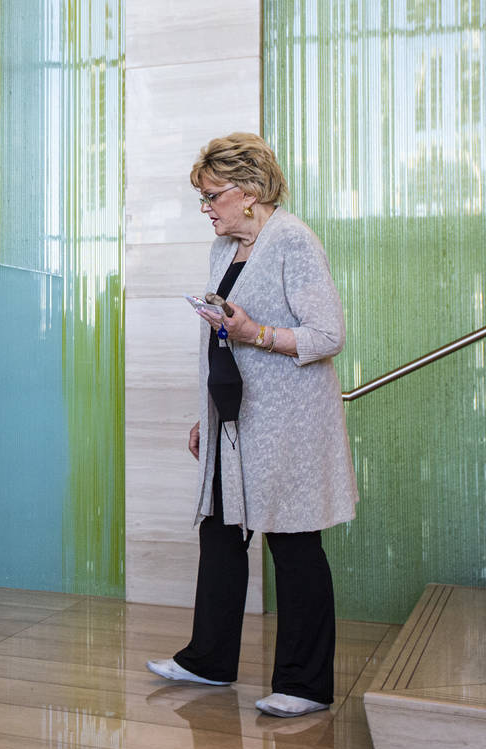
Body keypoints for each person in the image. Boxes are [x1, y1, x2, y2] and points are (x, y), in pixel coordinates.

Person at [146, 133, 359, 718]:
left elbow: (327, 335)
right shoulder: (224, 249)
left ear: (251, 191)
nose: (207, 208)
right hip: (234, 419)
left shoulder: (293, 240)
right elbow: (222, 333)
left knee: (293, 545)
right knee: (218, 532)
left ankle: (306, 684)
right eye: (203, 197)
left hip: (288, 423)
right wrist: (206, 412)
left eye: (213, 195)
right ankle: (208, 661)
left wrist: (255, 333)